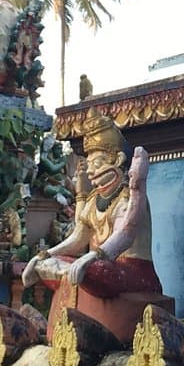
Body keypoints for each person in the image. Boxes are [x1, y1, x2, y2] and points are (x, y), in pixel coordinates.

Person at [22, 109, 160, 299]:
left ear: (117, 160)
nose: (90, 171)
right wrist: (44, 255)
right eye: (89, 165)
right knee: (54, 263)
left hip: (133, 272)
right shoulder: (95, 199)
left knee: (96, 270)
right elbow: (79, 237)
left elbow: (125, 235)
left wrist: (93, 256)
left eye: (97, 164)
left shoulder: (128, 197)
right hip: (99, 264)